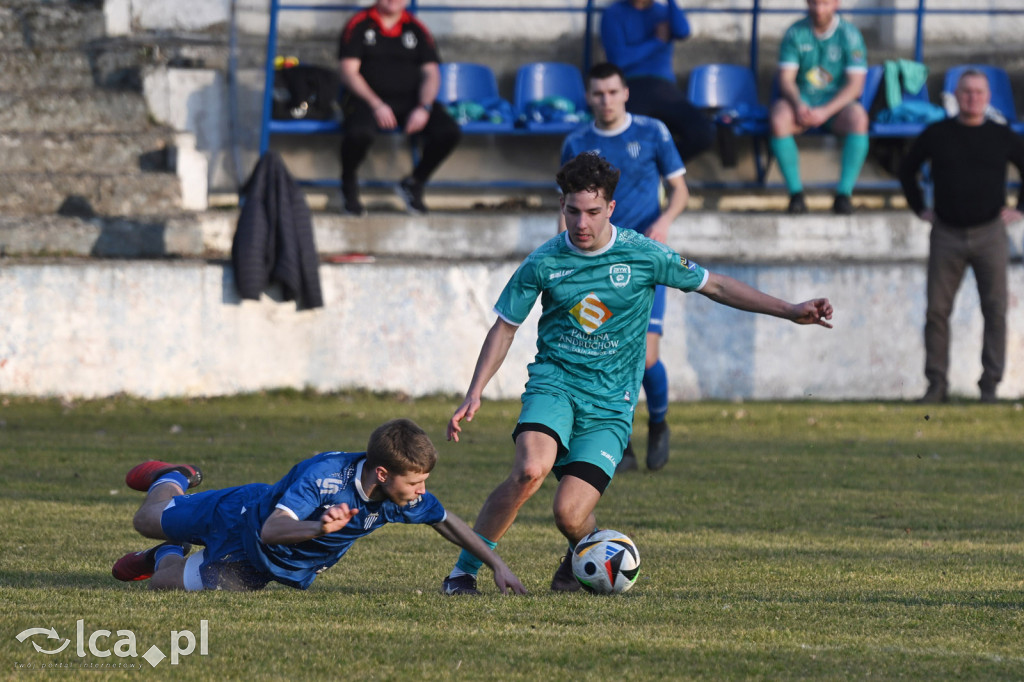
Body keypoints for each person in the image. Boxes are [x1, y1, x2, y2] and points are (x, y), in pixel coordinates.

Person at [441, 152, 834, 595]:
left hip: (611, 406)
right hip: (556, 386)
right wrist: (475, 390)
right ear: (562, 207)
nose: (581, 223)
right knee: (530, 469)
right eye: (572, 211)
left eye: (592, 212)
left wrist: (791, 310)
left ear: (611, 208)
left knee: (570, 515)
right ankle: (462, 573)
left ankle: (580, 556)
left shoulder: (643, 254)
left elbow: (717, 285)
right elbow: (504, 328)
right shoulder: (545, 261)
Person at [112, 419, 526, 594]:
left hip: (255, 567)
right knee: (146, 519)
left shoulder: (402, 498)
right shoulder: (324, 479)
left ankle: (168, 551)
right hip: (242, 516)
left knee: (160, 586)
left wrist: (496, 564)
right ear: (382, 473)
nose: (422, 491)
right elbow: (271, 530)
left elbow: (448, 522)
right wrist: (319, 529)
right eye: (416, 481)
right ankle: (174, 476)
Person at [560, 62, 688, 473]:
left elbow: (680, 189)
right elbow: (565, 205)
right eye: (598, 93)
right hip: (595, 265)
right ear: (588, 97)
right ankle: (620, 438)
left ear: (625, 92)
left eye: (613, 92)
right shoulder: (577, 141)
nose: (606, 100)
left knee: (647, 357)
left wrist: (665, 221)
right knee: (604, 353)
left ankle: (660, 422)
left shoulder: (653, 132)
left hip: (644, 260)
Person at [898, 69, 1024, 404]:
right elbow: (907, 169)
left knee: (995, 310)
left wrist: (1020, 209)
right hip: (946, 233)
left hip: (990, 233)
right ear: (956, 94)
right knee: (936, 312)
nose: (973, 98)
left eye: (979, 92)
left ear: (988, 97)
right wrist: (919, 209)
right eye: (966, 92)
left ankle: (990, 387)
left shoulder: (1001, 134)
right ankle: (936, 384)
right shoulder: (938, 133)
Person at [336, 0, 461, 216]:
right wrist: (376, 104)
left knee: (448, 132)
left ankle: (414, 183)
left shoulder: (416, 28)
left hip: (411, 102)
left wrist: (424, 107)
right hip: (367, 100)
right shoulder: (359, 24)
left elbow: (431, 73)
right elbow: (348, 72)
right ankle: (348, 184)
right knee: (359, 133)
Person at [770, 0, 869, 215]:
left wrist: (826, 110)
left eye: (824, 3)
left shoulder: (850, 35)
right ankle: (796, 195)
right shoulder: (795, 32)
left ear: (836, 3)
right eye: (814, 3)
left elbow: (856, 85)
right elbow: (786, 80)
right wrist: (798, 104)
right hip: (802, 104)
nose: (819, 9)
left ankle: (844, 194)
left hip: (836, 107)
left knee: (859, 119)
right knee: (778, 118)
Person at [600, 0, 715, 163]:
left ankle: (662, 168)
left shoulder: (663, 11)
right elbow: (617, 59)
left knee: (703, 133)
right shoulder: (613, 13)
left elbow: (683, 31)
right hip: (631, 86)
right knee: (624, 139)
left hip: (664, 87)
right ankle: (642, 176)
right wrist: (657, 41)